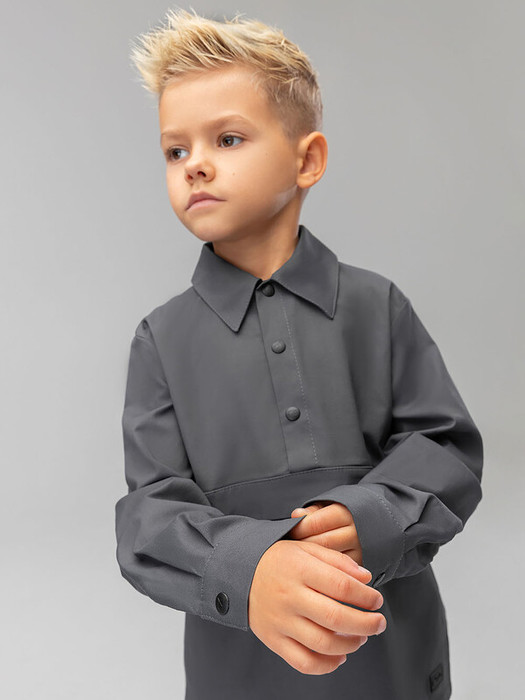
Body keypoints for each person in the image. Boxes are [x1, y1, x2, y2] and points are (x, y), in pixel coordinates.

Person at [114, 8, 483, 700]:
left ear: (306, 159)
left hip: (391, 665)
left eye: (227, 138)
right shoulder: (160, 339)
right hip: (237, 674)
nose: (195, 165)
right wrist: (250, 568)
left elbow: (447, 449)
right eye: (174, 151)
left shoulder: (377, 307)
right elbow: (147, 518)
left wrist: (370, 520)